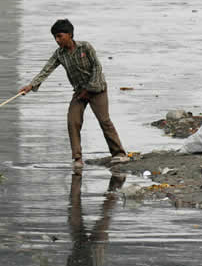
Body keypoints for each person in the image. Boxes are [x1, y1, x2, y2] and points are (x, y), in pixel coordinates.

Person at [19, 19, 129, 170]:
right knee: (73, 121)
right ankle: (77, 158)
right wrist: (31, 85)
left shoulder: (85, 47)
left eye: (60, 36)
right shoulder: (60, 54)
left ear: (69, 35)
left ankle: (119, 154)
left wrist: (90, 89)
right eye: (55, 38)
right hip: (79, 92)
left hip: (97, 89)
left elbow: (97, 68)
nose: (57, 40)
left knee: (104, 120)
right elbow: (47, 69)